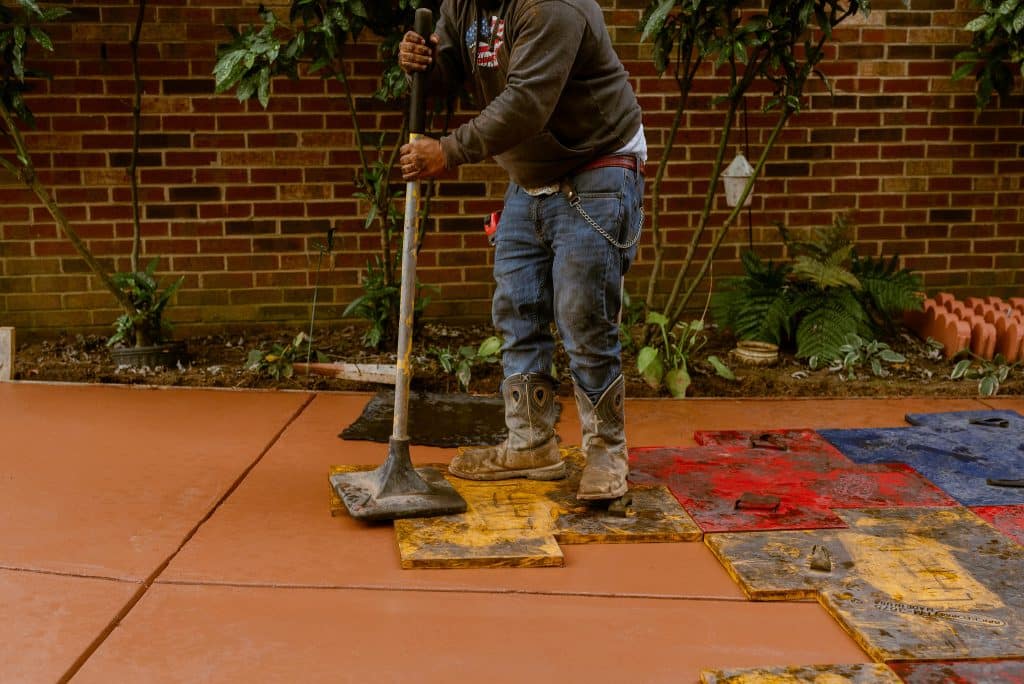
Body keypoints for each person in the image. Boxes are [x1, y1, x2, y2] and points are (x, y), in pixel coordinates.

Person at [397, 0, 646, 501]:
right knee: (517, 308)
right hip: (529, 176)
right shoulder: (462, 4)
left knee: (582, 314)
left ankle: (606, 452)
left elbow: (528, 103)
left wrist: (449, 150)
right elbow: (452, 68)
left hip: (596, 165)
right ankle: (531, 443)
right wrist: (423, 62)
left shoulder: (553, 6)